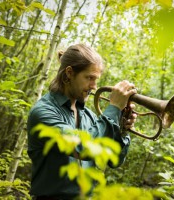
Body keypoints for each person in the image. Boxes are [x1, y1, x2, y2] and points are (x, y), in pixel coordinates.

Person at [27, 43, 137, 199]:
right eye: (89, 78)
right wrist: (113, 109)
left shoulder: (90, 116)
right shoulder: (43, 112)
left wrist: (122, 130)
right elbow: (82, 148)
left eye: (96, 79)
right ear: (69, 73)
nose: (94, 86)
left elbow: (114, 160)